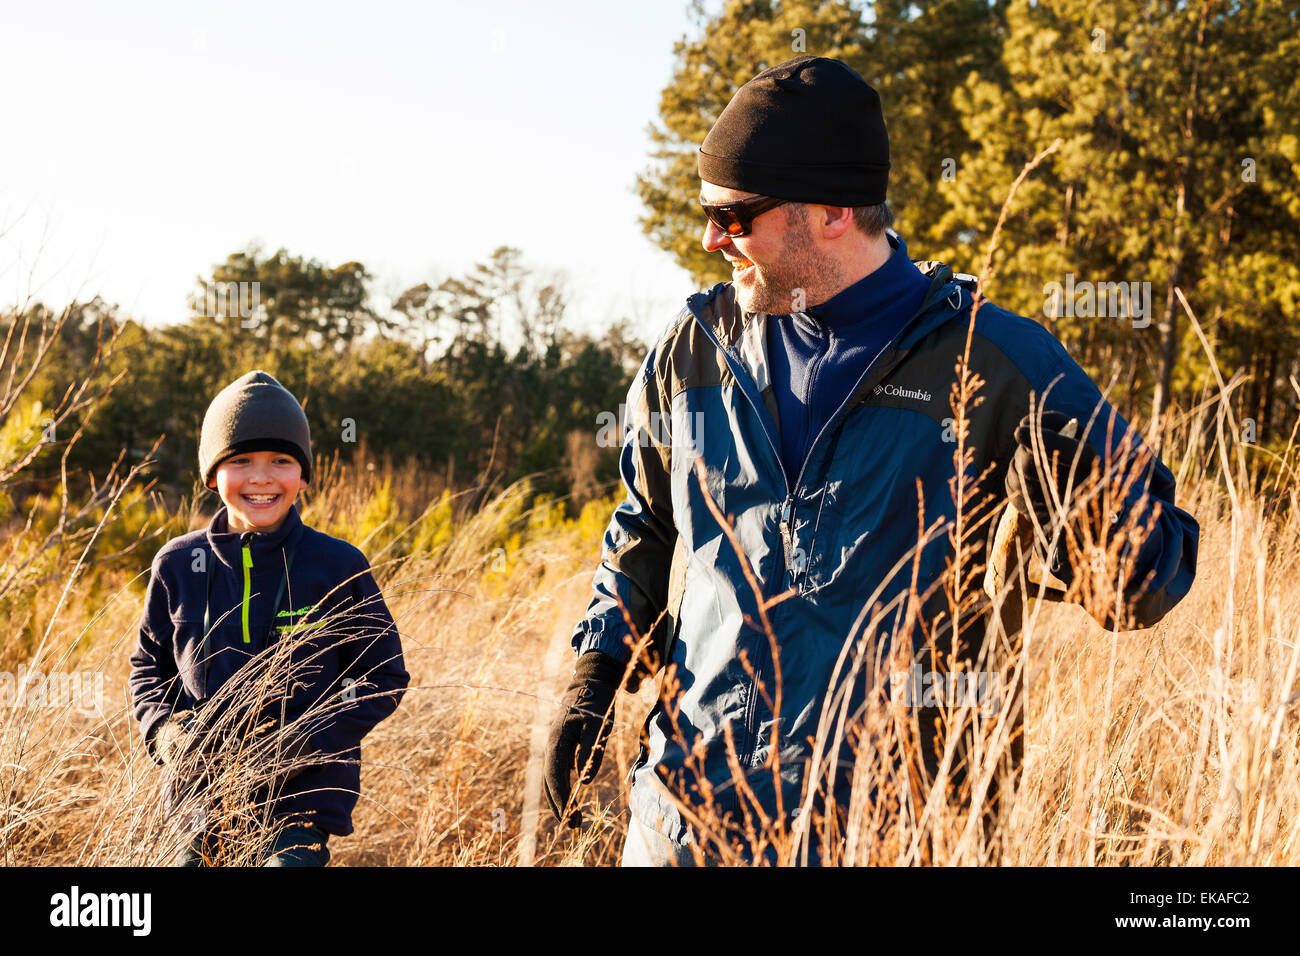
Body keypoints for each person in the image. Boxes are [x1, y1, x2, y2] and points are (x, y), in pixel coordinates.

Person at [543, 56, 1199, 866]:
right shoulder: (696, 347)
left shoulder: (995, 362)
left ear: (830, 211)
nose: (712, 239)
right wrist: (595, 673)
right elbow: (642, 523)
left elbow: (1148, 583)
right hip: (683, 826)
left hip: (890, 835)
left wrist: (1083, 522)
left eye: (735, 216)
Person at [129, 370, 409, 866]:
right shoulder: (177, 564)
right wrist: (166, 732)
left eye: (280, 461)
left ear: (302, 476)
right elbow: (149, 670)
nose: (261, 477)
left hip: (301, 804)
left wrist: (305, 741)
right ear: (213, 475)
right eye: (241, 461)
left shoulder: (338, 565)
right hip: (201, 799)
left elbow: (383, 676)